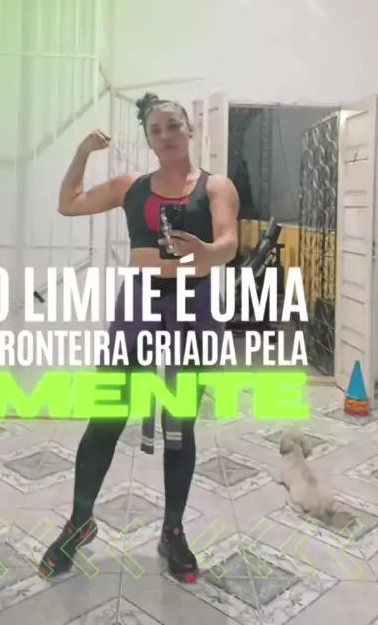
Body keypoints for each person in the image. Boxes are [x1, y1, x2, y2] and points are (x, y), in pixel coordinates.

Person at [39, 92, 239, 583]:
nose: (165, 135)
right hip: (140, 306)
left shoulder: (216, 186)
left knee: (179, 425)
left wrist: (206, 253)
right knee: (106, 417)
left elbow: (229, 244)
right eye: (156, 129)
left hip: (193, 308)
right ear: (148, 139)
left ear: (190, 130)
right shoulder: (132, 186)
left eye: (173, 125)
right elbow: (68, 204)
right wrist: (82, 152)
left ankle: (173, 531)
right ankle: (79, 521)